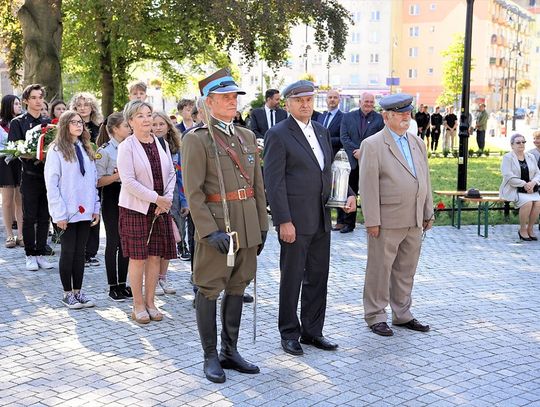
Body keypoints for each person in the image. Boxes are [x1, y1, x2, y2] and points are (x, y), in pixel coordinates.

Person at [182, 68, 268, 383]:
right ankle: (210, 356)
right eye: (226, 97)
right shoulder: (197, 139)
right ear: (209, 102)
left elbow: (257, 186)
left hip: (245, 227)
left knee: (237, 287)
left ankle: (230, 351)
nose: (233, 102)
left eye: (234, 96)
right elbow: (193, 193)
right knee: (208, 290)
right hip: (218, 228)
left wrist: (262, 225)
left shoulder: (245, 136)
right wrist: (208, 231)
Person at [264, 80, 356, 357]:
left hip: (321, 217)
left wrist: (348, 193)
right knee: (292, 278)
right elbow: (274, 181)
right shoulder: (278, 134)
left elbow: (328, 170)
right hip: (294, 220)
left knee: (318, 276)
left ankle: (313, 331)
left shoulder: (322, 130)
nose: (305, 105)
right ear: (288, 104)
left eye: (308, 100)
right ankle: (289, 333)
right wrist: (283, 221)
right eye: (299, 100)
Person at [358, 93, 433, 337]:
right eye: (400, 113)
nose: (405, 117)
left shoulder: (417, 142)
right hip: (387, 220)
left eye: (407, 113)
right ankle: (375, 315)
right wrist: (372, 221)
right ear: (386, 116)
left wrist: (427, 210)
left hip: (413, 218)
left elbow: (425, 180)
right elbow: (368, 187)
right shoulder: (373, 144)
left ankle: (402, 313)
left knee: (406, 269)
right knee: (380, 269)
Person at [117, 100, 177, 324]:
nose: (146, 119)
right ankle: (138, 305)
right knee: (138, 258)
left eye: (149, 114)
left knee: (154, 256)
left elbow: (171, 174)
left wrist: (166, 199)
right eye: (140, 115)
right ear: (131, 121)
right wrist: (156, 198)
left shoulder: (161, 143)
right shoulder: (127, 146)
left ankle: (151, 302)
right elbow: (128, 181)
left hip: (160, 209)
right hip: (136, 209)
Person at [44, 110, 100, 309]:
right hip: (66, 211)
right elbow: (52, 184)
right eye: (74, 122)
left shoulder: (85, 148)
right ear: (65, 125)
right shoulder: (56, 150)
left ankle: (78, 290)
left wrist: (95, 207)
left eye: (80, 122)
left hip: (84, 209)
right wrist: (59, 213)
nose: (79, 125)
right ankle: (67, 293)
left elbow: (92, 181)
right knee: (68, 251)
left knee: (80, 253)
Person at [8, 84, 54, 271]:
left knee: (45, 216)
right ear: (26, 100)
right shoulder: (18, 122)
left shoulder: (48, 123)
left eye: (40, 97)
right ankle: (30, 254)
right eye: (33, 97)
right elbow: (16, 149)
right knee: (29, 216)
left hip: (48, 176)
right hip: (29, 174)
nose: (37, 101)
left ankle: (41, 253)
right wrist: (36, 153)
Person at [95, 112, 132, 301]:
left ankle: (123, 284)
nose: (129, 128)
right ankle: (112, 285)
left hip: (129, 195)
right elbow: (99, 181)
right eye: (126, 126)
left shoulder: (132, 146)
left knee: (126, 241)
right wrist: (119, 175)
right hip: (112, 195)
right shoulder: (105, 151)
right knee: (113, 241)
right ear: (115, 129)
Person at [152, 110, 189, 295]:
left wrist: (185, 201)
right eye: (154, 124)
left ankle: (163, 277)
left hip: (173, 198)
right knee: (154, 241)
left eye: (161, 124)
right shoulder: (146, 145)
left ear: (168, 126)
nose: (157, 127)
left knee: (170, 240)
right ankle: (151, 279)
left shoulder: (176, 148)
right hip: (153, 198)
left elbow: (182, 176)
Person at [339, 92, 384, 233]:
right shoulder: (348, 117)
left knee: (370, 193)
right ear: (360, 102)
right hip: (352, 162)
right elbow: (344, 137)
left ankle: (371, 223)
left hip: (370, 163)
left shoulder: (379, 119)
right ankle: (348, 224)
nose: (369, 104)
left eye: (371, 102)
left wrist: (363, 152)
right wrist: (356, 151)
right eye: (366, 101)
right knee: (350, 193)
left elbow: (381, 139)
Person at [69, 92, 102, 266]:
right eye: (79, 105)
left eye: (86, 105)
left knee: (94, 210)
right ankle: (78, 251)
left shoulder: (99, 127)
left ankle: (91, 252)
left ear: (92, 107)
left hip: (97, 173)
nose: (82, 108)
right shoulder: (71, 127)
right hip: (76, 176)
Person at [500, 133, 540, 241]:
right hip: (514, 189)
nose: (521, 144)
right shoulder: (507, 157)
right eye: (518, 142)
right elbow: (508, 175)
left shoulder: (530, 157)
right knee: (527, 203)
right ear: (512, 145)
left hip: (531, 189)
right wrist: (524, 184)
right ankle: (522, 229)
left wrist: (533, 183)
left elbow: (538, 173)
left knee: (538, 203)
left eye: (523, 142)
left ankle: (530, 229)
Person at [0, 95, 24, 249]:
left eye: (19, 103)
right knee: (7, 201)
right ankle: (9, 234)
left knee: (20, 201)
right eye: (16, 104)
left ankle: (21, 234)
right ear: (8, 105)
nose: (19, 106)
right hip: (4, 163)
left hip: (20, 162)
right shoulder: (1, 124)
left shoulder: (22, 122)